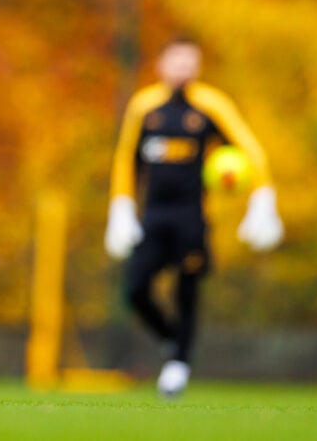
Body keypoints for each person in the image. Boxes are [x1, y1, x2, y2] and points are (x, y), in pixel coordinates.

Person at [104, 37, 282, 398]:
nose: (185, 68)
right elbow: (126, 160)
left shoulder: (212, 106)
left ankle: (178, 366)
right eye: (178, 61)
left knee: (187, 292)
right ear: (162, 64)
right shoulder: (145, 107)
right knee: (135, 289)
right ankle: (172, 340)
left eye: (191, 62)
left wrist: (263, 196)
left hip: (193, 219)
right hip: (153, 218)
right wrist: (121, 207)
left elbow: (250, 150)